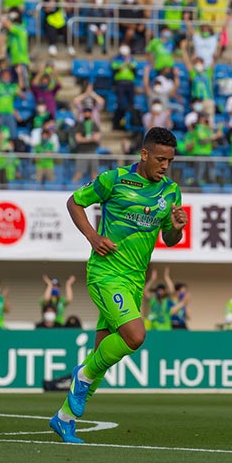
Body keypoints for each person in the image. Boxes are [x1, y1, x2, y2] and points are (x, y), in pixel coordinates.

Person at [49, 127, 186, 444]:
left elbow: (170, 238)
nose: (165, 166)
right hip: (106, 273)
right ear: (144, 154)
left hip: (135, 281)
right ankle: (80, 375)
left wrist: (177, 228)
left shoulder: (171, 191)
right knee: (135, 336)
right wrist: (93, 237)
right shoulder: (115, 179)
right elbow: (74, 202)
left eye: (170, 161)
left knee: (102, 355)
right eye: (160, 159)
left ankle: (64, 419)